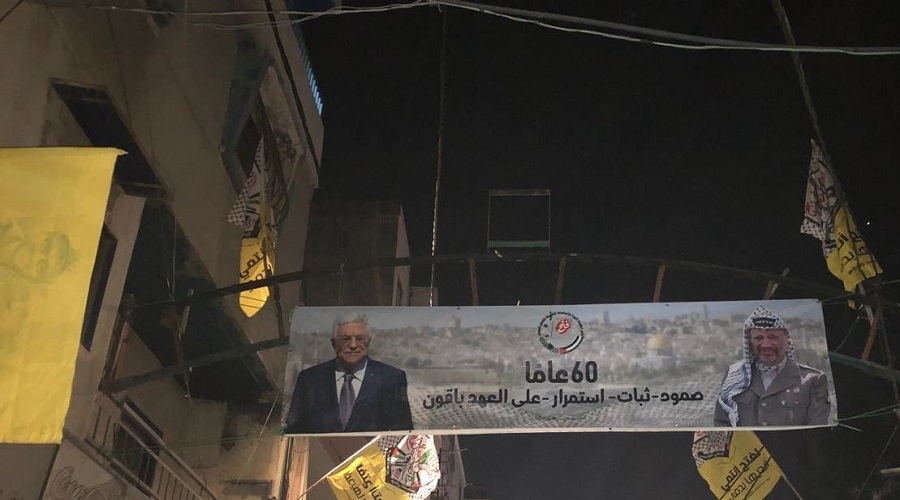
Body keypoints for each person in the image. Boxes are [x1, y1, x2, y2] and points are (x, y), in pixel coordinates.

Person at [284, 312, 413, 433]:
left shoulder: (391, 379)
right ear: (334, 343)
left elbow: (403, 431)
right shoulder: (309, 379)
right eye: (346, 339)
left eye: (359, 338)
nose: (353, 345)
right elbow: (294, 428)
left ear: (368, 341)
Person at [714, 305, 831, 427]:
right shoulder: (734, 375)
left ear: (786, 340)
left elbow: (816, 430)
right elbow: (721, 424)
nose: (766, 344)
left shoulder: (813, 381)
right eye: (758, 338)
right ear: (750, 342)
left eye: (773, 337)